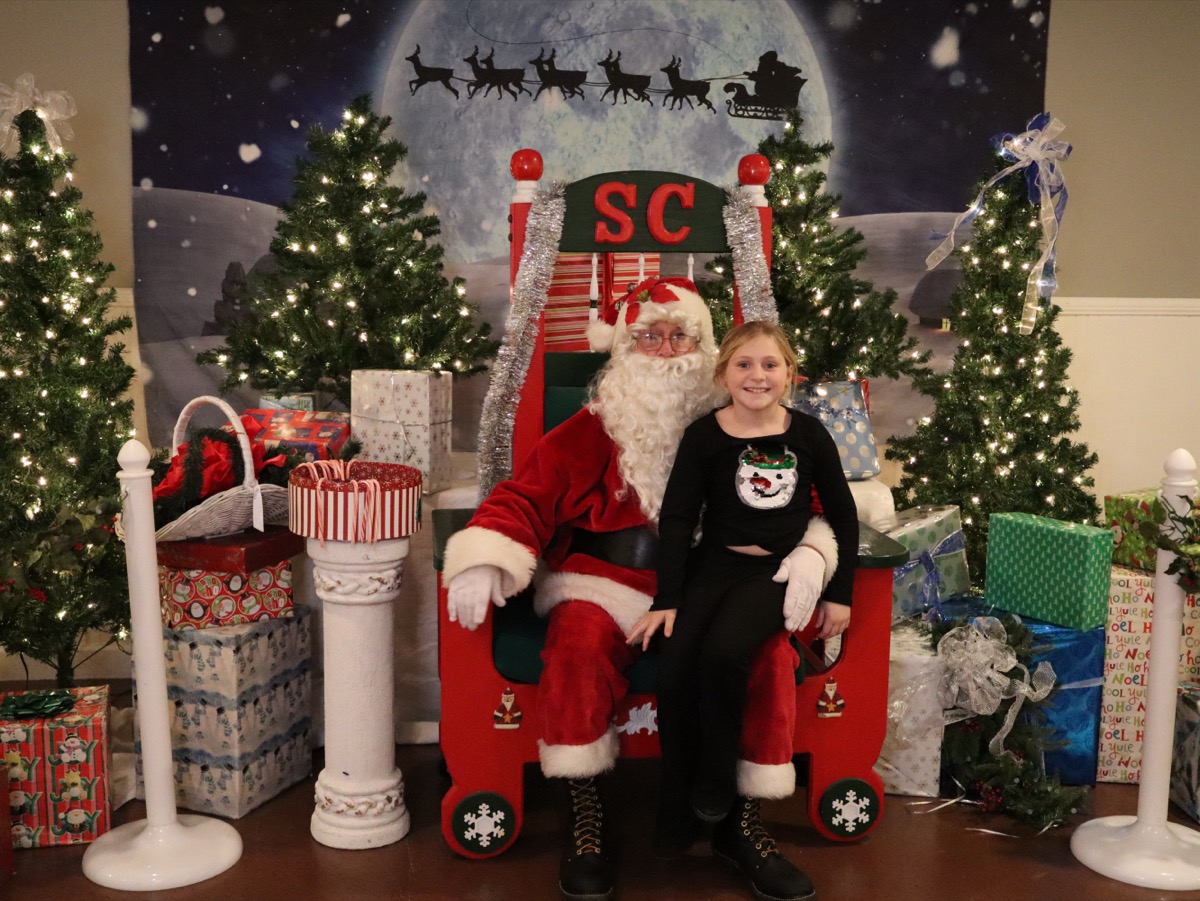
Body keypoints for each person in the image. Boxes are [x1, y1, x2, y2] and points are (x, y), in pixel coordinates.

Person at [442, 278, 831, 901]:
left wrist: (812, 549)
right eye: (650, 336)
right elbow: (526, 495)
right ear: (624, 347)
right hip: (603, 582)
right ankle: (585, 812)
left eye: (681, 336)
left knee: (767, 655)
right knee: (576, 646)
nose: (666, 350)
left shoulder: (740, 423)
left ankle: (741, 822)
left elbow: (802, 495)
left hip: (709, 584)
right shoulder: (595, 426)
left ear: (706, 349)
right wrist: (486, 555)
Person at [628, 320, 858, 901]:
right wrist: (668, 597)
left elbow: (842, 514)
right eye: (744, 364)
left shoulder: (808, 434)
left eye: (770, 364)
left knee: (726, 652)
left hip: (774, 572)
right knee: (675, 665)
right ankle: (678, 805)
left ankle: (718, 781)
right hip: (714, 565)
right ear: (723, 373)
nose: (758, 375)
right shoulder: (705, 436)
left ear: (789, 374)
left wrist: (840, 591)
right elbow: (679, 518)